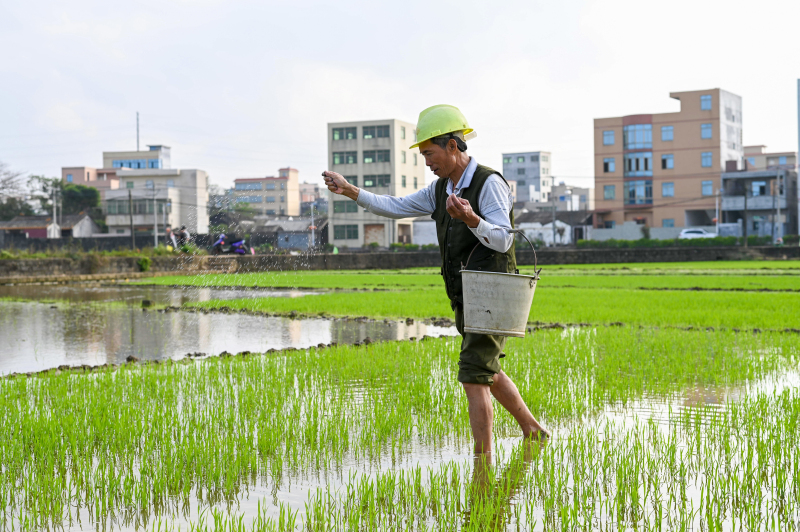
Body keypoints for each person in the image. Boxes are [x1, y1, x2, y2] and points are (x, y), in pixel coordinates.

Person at [323, 104, 549, 454]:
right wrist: (351, 190)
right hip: (465, 293)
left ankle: (482, 465)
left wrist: (473, 219)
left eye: (429, 153)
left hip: (492, 293)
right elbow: (396, 206)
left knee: (473, 375)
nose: (427, 162)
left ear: (453, 146)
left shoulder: (488, 184)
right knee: (487, 369)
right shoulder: (440, 188)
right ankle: (533, 429)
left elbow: (505, 239)